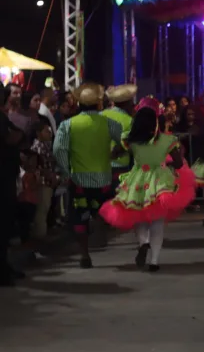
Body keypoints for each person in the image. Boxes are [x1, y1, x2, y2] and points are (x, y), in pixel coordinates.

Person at [99, 99, 195, 271]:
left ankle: (143, 243)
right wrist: (169, 165)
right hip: (160, 181)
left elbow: (114, 153)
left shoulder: (131, 141)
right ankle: (155, 261)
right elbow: (179, 163)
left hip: (137, 179)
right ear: (156, 122)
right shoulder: (167, 140)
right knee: (157, 223)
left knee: (139, 216)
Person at [53, 83, 123, 268]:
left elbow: (59, 150)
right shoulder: (108, 123)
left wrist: (66, 171)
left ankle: (84, 253)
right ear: (99, 104)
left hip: (79, 180)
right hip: (103, 180)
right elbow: (125, 140)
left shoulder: (68, 125)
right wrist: (116, 151)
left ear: (78, 104)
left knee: (79, 217)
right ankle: (99, 227)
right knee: (101, 211)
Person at [102, 85, 136, 190]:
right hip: (120, 169)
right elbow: (132, 146)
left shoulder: (101, 115)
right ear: (127, 103)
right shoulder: (128, 120)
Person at [30, 120, 59, 242]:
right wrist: (51, 177)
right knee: (41, 211)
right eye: (46, 131)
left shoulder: (46, 145)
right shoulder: (38, 147)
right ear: (38, 133)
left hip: (48, 182)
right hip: (43, 183)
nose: (49, 133)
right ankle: (39, 237)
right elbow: (41, 167)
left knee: (45, 209)